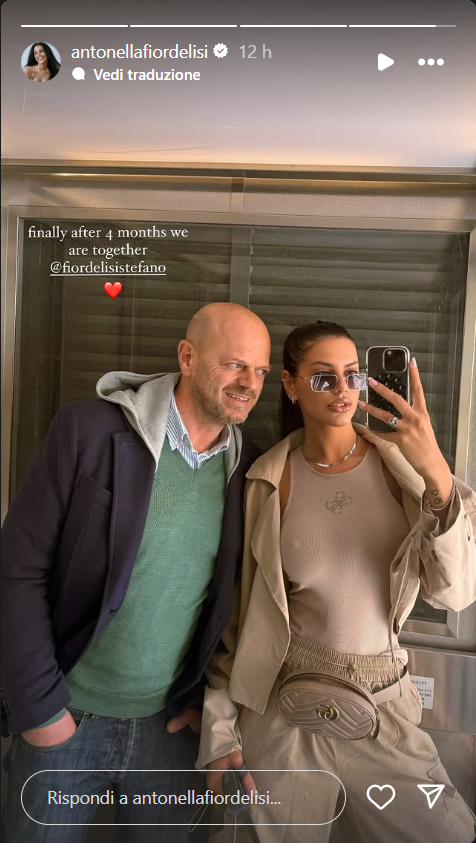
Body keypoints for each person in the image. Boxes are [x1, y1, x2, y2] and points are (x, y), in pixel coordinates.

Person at [1, 303, 271, 843]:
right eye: (234, 365)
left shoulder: (249, 467)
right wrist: (41, 711)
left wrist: (201, 703)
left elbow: (234, 603)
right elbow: (17, 571)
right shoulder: (88, 432)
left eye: (260, 370)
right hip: (66, 721)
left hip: (168, 733)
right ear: (187, 357)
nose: (249, 383)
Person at [197, 320, 476, 843]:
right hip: (282, 716)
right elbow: (235, 626)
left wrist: (435, 468)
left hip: (384, 711)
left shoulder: (406, 473)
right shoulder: (264, 482)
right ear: (290, 384)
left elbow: (455, 594)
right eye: (324, 377)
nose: (344, 389)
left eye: (354, 375)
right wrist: (218, 733)